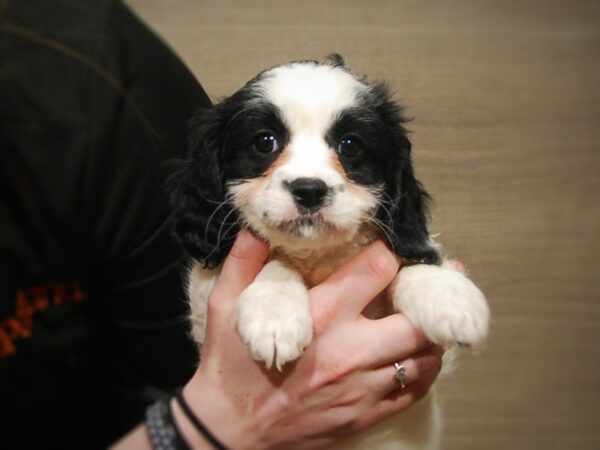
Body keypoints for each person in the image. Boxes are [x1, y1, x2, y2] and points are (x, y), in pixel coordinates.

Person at [0, 1, 442, 449]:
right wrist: (206, 427)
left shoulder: (95, 79)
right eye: (266, 143)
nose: (309, 177)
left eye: (348, 145)